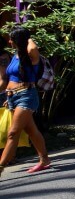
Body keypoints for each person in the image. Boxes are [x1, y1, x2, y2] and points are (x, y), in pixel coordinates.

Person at [0, 26, 52, 175]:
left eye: (12, 38)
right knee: (31, 130)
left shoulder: (31, 56)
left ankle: (0, 167)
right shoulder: (16, 55)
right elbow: (11, 78)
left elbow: (33, 47)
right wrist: (8, 96)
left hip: (26, 96)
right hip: (12, 98)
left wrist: (25, 36)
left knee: (13, 133)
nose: (9, 41)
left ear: (20, 40)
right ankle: (44, 160)